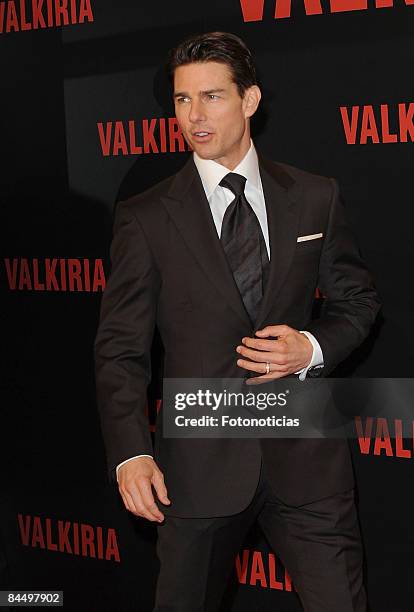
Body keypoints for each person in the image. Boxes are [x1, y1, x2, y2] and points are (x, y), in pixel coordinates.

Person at [94, 31, 380, 612]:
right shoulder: (146, 217)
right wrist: (131, 451)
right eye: (181, 101)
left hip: (308, 457)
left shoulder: (314, 196)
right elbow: (120, 349)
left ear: (249, 101)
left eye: (212, 97)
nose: (194, 117)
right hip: (198, 465)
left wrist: (311, 346)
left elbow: (358, 303)